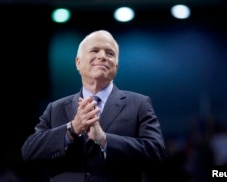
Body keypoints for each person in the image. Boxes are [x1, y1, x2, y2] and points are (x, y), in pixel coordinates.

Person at [21, 30, 167, 182]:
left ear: (116, 65)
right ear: (78, 62)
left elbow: (157, 153)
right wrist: (72, 129)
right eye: (95, 50)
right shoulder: (55, 109)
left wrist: (104, 140)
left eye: (109, 53)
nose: (102, 56)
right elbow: (29, 151)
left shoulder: (139, 104)